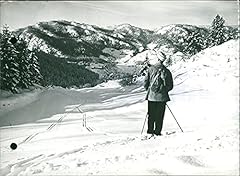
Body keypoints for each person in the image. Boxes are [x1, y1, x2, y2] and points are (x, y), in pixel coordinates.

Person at [144, 51, 173, 137]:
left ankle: (150, 131)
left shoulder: (150, 69)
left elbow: (146, 83)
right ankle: (157, 132)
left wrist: (150, 90)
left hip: (151, 96)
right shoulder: (167, 71)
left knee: (151, 115)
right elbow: (170, 85)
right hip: (162, 97)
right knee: (159, 116)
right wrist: (163, 91)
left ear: (157, 59)